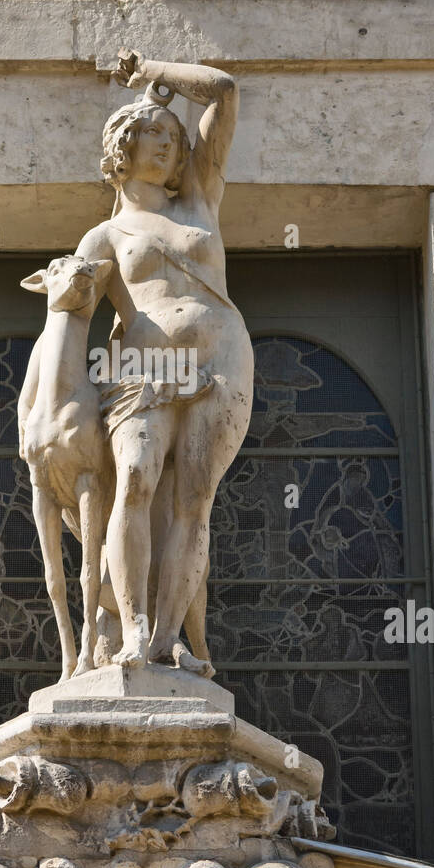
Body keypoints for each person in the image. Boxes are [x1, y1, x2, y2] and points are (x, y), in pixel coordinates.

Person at [75, 48, 254, 669]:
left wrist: (154, 71)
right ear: (121, 147)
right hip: (142, 371)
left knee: (194, 498)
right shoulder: (103, 237)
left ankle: (166, 642)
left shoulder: (201, 196)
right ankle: (130, 630)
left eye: (174, 138)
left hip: (219, 359)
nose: (166, 145)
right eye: (151, 133)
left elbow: (224, 91)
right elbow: (68, 322)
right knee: (136, 480)